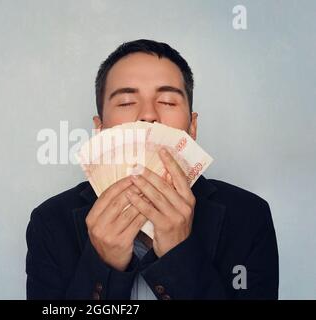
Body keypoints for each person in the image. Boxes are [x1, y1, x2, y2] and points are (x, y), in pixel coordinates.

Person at [26, 39, 279, 300]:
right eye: (126, 102)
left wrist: (179, 255)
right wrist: (102, 264)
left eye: (168, 102)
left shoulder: (249, 217)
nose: (148, 115)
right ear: (99, 129)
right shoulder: (50, 223)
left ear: (192, 128)